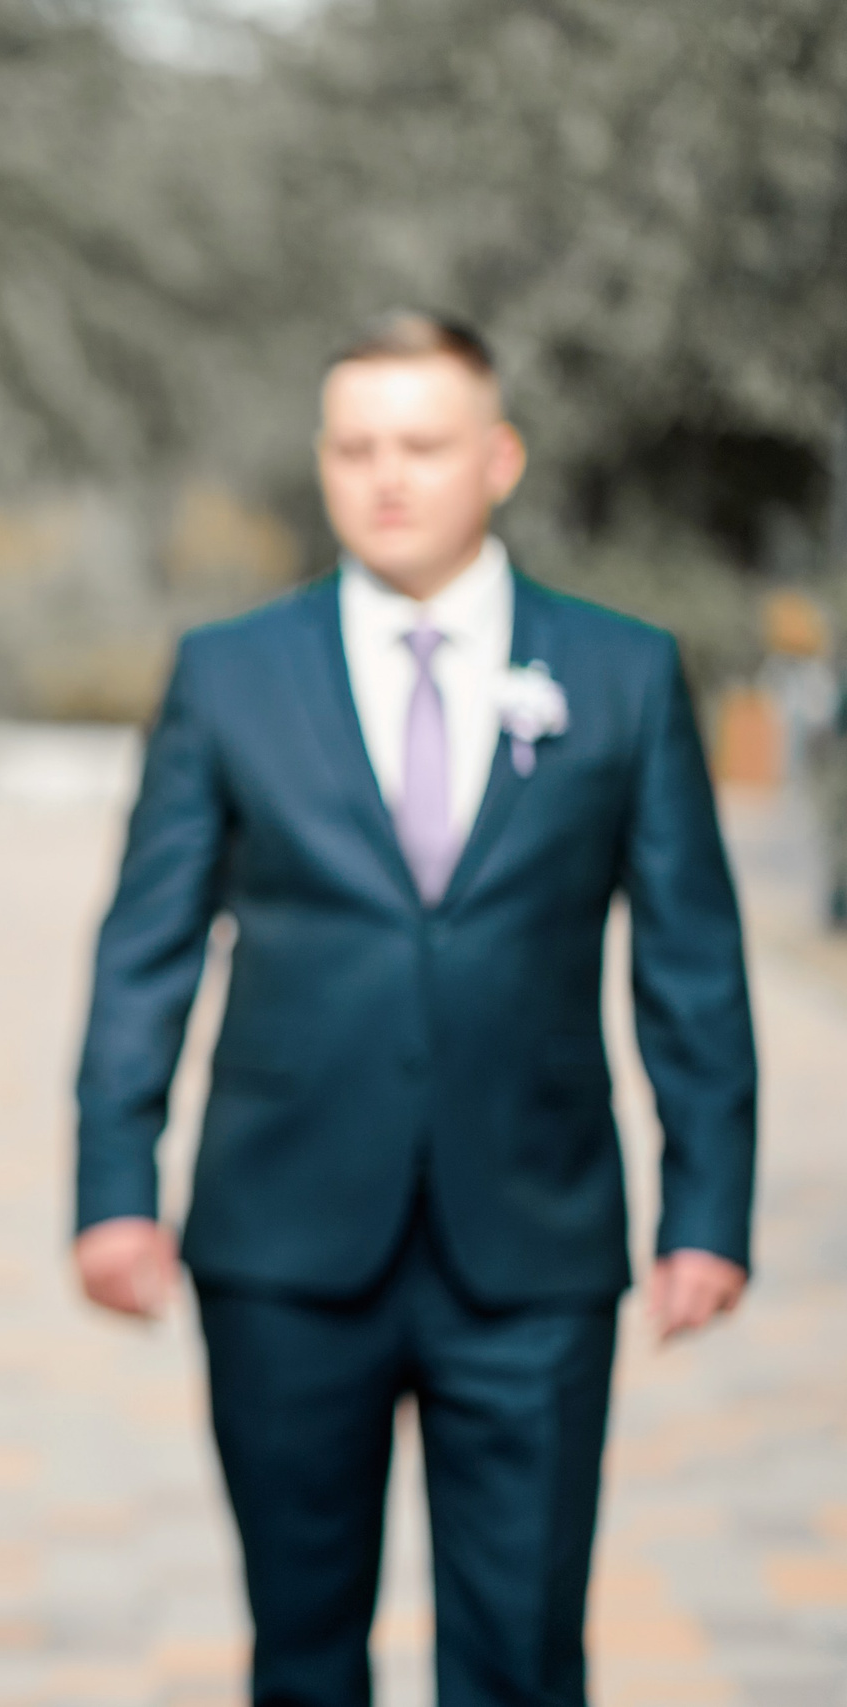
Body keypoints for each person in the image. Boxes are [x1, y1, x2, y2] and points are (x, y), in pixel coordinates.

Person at [72, 313, 755, 1707]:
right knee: (305, 1655)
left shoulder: (620, 674)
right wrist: (114, 1188)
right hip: (282, 1245)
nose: (388, 477)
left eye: (424, 445)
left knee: (520, 1656)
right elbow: (146, 946)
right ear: (323, 463)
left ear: (498, 458)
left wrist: (706, 1211)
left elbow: (690, 957)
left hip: (537, 1248)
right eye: (356, 447)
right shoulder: (229, 672)